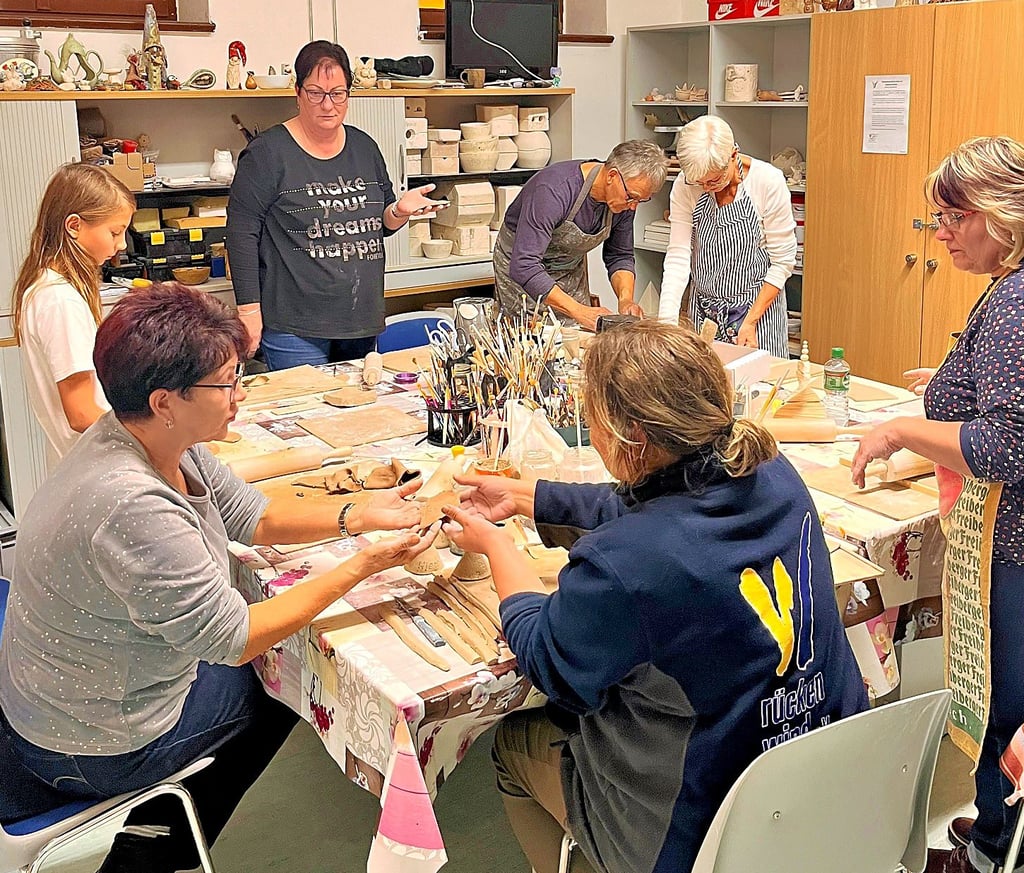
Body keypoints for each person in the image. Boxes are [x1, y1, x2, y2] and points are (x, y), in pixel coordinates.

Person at [0, 283, 438, 873]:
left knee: (281, 655)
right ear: (165, 400)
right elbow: (236, 640)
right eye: (227, 383)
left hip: (62, 696)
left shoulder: (151, 437)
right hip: (88, 741)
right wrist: (364, 563)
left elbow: (254, 516)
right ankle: (160, 845)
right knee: (283, 681)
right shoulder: (132, 503)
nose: (239, 396)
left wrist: (357, 514)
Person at [441, 320, 868, 873]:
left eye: (590, 417)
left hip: (708, 830)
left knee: (515, 743)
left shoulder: (625, 563)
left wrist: (498, 547)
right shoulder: (770, 471)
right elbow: (650, 506)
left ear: (631, 438)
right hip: (828, 779)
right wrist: (528, 497)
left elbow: (547, 660)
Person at [851, 136, 1024, 873]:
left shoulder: (1014, 302)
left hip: (1012, 543)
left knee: (1005, 701)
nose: (941, 233)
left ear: (1001, 214)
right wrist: (953, 385)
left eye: (954, 217)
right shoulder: (1010, 291)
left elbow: (1005, 446)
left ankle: (993, 850)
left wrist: (901, 430)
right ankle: (994, 824)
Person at [226, 40, 445, 370]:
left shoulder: (364, 147)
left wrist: (400, 211)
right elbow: (241, 235)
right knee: (307, 403)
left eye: (337, 93)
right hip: (295, 326)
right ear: (298, 92)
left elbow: (381, 223)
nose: (328, 104)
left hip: (360, 319)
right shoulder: (267, 154)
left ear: (348, 95)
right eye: (316, 93)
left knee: (358, 403)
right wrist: (248, 311)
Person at [12, 163, 135, 464]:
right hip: (96, 464)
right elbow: (81, 413)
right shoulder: (59, 300)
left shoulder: (45, 287)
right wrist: (147, 440)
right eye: (115, 232)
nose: (121, 244)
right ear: (74, 226)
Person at [493, 140, 669, 332]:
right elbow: (524, 266)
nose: (633, 206)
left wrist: (625, 299)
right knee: (533, 338)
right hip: (522, 273)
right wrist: (578, 310)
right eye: (631, 197)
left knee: (575, 337)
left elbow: (620, 256)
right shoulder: (553, 190)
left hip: (569, 270)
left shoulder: (624, 202)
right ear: (612, 176)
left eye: (641, 200)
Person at [659, 115, 796, 357]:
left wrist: (751, 321)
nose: (706, 188)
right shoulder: (685, 185)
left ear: (733, 155)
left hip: (756, 312)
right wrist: (666, 323)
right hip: (704, 311)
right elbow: (678, 256)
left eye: (713, 180)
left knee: (759, 378)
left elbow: (782, 262)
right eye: (699, 182)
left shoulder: (767, 182)